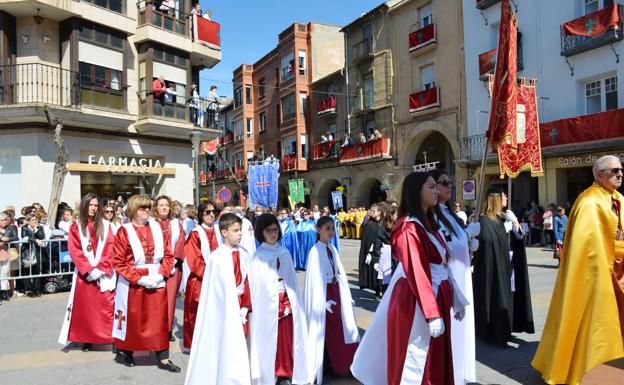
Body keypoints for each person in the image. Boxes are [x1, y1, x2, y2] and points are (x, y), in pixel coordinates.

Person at [351, 172, 467, 385]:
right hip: (417, 301)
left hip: (435, 295)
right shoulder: (408, 227)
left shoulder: (428, 221)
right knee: (417, 360)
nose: (436, 191)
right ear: (417, 191)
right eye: (431, 187)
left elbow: (442, 261)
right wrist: (431, 313)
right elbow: (416, 270)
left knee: (436, 358)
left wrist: (455, 295)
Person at [532, 155, 624, 385]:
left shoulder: (619, 198)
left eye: (621, 170)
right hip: (599, 274)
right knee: (594, 325)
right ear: (599, 174)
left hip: (620, 271)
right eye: (614, 171)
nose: (620, 175)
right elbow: (585, 247)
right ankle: (585, 371)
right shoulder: (588, 202)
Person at [111, 195, 179, 372]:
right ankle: (127, 351)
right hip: (134, 280)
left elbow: (168, 255)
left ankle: (163, 357)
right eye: (143, 208)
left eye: (149, 207)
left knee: (159, 320)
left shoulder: (157, 228)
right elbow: (118, 261)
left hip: (156, 279)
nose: (147, 210)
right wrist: (138, 278)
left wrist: (162, 274)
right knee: (134, 318)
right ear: (133, 210)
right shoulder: (124, 231)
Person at [184, 213, 252, 385]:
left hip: (242, 305)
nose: (240, 234)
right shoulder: (217, 257)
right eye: (235, 230)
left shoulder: (244, 253)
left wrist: (246, 304)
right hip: (225, 309)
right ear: (224, 232)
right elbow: (214, 292)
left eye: (240, 230)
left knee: (243, 345)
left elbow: (248, 281)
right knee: (228, 345)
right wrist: (229, 308)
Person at [249, 214, 311, 385]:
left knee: (287, 338)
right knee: (270, 339)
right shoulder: (258, 257)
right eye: (268, 230)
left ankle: (286, 372)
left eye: (275, 230)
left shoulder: (284, 252)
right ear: (261, 232)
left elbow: (291, 281)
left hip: (287, 301)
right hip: (268, 305)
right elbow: (257, 287)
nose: (272, 234)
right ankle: (271, 372)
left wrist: (291, 300)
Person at [431, 170, 480, 385]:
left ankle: (460, 371)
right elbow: (440, 248)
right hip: (449, 280)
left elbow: (455, 243)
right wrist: (467, 235)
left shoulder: (448, 213)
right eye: (443, 183)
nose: (448, 186)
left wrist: (469, 245)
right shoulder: (431, 215)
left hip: (461, 277)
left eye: (449, 182)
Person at [303, 216, 360, 384]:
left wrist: (346, 294)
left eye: (332, 228)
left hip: (336, 292)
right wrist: (322, 301)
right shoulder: (315, 251)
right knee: (332, 331)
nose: (331, 231)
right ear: (318, 229)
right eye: (327, 228)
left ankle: (348, 364)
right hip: (325, 295)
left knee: (346, 328)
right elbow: (315, 281)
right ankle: (334, 365)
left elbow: (339, 274)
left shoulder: (332, 249)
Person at [58, 193, 115, 352]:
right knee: (86, 309)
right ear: (84, 206)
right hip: (85, 275)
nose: (94, 208)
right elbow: (74, 250)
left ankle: (109, 336)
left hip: (103, 273)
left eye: (96, 205)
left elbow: (111, 249)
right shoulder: (76, 226)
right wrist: (88, 270)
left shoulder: (106, 225)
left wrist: (101, 268)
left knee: (106, 306)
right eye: (91, 205)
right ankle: (87, 340)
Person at [473, 189, 513, 347]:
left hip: (502, 267)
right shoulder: (483, 220)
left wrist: (511, 225)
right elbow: (489, 240)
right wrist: (503, 230)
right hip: (489, 269)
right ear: (496, 199)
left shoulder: (500, 219)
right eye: (504, 196)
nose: (506, 198)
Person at [183, 201, 220, 350]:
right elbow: (194, 259)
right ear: (200, 215)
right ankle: (198, 346)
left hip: (219, 279)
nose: (211, 215)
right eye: (207, 212)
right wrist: (210, 275)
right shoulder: (195, 234)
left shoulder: (220, 231)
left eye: (213, 212)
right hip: (201, 280)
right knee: (197, 314)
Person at [153, 196, 185, 343]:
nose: (164, 207)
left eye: (167, 205)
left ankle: (168, 329)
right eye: (161, 205)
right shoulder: (151, 224)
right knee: (155, 298)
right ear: (156, 208)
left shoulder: (176, 224)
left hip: (174, 267)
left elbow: (180, 243)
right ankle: (155, 328)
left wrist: (174, 261)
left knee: (170, 298)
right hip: (155, 267)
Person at [357, 203, 381, 296]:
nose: (371, 212)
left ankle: (380, 288)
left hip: (381, 251)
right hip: (372, 252)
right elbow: (365, 241)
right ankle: (376, 289)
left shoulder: (383, 224)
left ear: (379, 212)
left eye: (373, 211)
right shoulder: (369, 224)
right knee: (374, 271)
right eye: (371, 210)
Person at [21, 214, 46, 297]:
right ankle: (29, 289)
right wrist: (35, 240)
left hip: (37, 251)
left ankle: (37, 289)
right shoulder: (24, 228)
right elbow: (25, 238)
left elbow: (42, 236)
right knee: (27, 270)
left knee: (37, 270)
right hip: (27, 251)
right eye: (32, 220)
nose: (34, 221)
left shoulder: (40, 228)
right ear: (28, 221)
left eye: (35, 219)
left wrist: (36, 229)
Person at [0, 212, 19, 302]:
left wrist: (8, 239)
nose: (4, 222)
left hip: (5, 253)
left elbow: (15, 237)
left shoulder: (9, 228)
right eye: (2, 220)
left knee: (5, 273)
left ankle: (4, 292)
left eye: (5, 220)